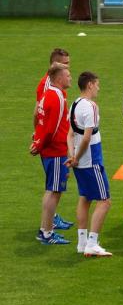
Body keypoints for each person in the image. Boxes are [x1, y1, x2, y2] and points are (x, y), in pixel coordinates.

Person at [68, 71, 112, 256]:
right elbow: (86, 138)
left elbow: (70, 134)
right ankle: (92, 243)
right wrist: (77, 156)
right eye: (97, 84)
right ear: (90, 85)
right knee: (105, 201)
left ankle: (82, 242)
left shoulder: (74, 105)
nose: (98, 88)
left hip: (79, 162)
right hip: (91, 160)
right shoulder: (90, 107)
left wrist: (72, 156)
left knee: (85, 198)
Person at [31, 63, 72, 245]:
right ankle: (46, 233)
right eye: (67, 75)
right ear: (58, 78)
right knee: (53, 191)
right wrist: (39, 144)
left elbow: (40, 121)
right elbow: (51, 128)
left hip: (49, 150)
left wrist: (37, 142)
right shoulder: (57, 98)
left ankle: (45, 229)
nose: (70, 78)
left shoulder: (48, 94)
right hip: (55, 151)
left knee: (52, 190)